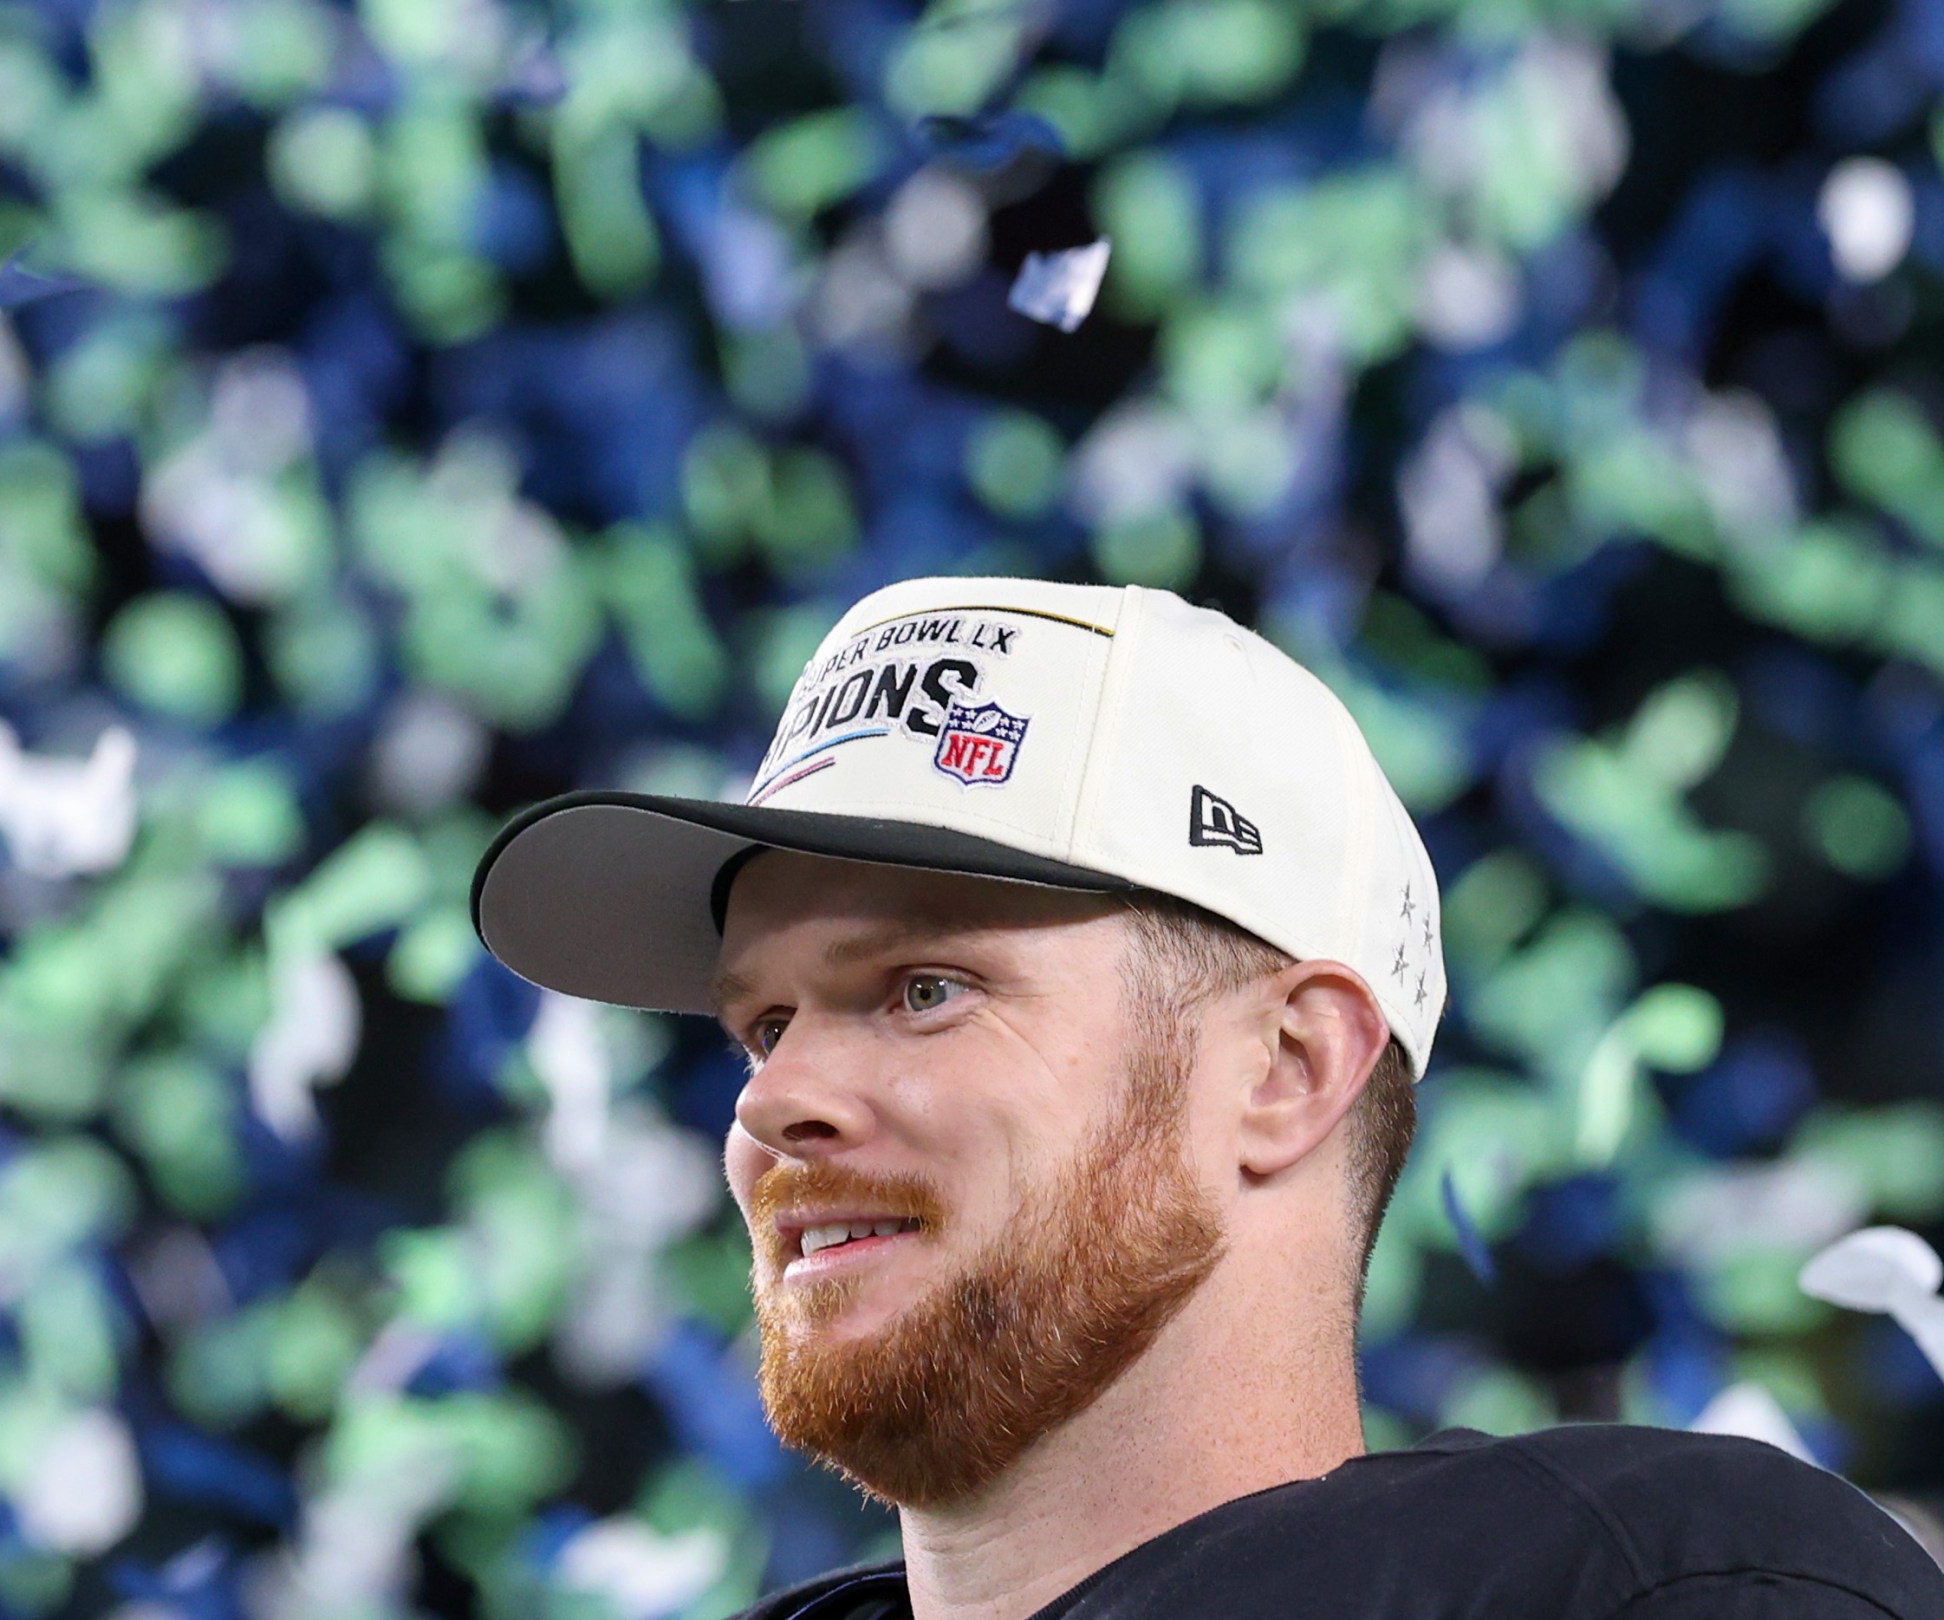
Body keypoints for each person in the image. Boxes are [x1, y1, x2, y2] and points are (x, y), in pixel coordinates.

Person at [471, 577, 1944, 1619]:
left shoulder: (1643, 1584)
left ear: (1285, 1069)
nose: (775, 1101)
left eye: (924, 988)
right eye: (763, 1023)